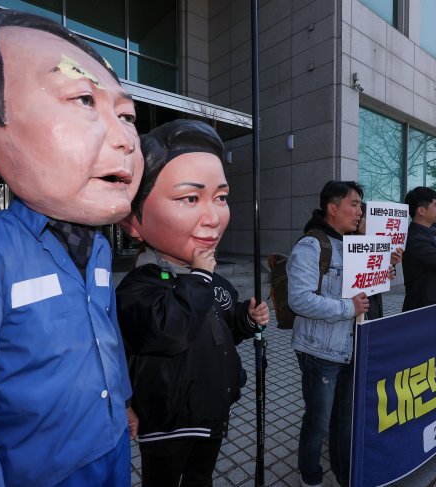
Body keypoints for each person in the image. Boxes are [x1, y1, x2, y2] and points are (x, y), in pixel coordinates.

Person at [0, 11, 142, 486]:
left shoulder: (99, 249)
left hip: (111, 451)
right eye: (83, 100)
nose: (124, 140)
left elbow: (106, 332)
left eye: (125, 115)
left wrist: (121, 400)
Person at [115, 119, 269, 487]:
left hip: (213, 412)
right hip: (167, 422)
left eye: (220, 198)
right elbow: (170, 332)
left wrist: (246, 322)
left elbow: (224, 330)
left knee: (201, 478)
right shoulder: (138, 287)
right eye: (189, 198)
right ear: (133, 221)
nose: (214, 219)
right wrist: (200, 277)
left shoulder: (211, 280)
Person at [287, 180, 367, 487]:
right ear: (332, 208)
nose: (360, 211)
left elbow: (363, 292)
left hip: (349, 347)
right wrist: (349, 307)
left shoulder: (352, 243)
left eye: (360, 205)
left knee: (343, 420)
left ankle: (344, 473)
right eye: (354, 204)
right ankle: (311, 477)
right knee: (318, 423)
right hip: (319, 351)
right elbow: (300, 300)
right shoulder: (311, 246)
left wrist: (383, 270)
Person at [355, 202, 403, 319]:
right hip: (357, 309)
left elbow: (381, 275)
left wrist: (391, 264)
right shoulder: (349, 243)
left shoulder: (375, 242)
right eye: (367, 218)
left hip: (374, 304)